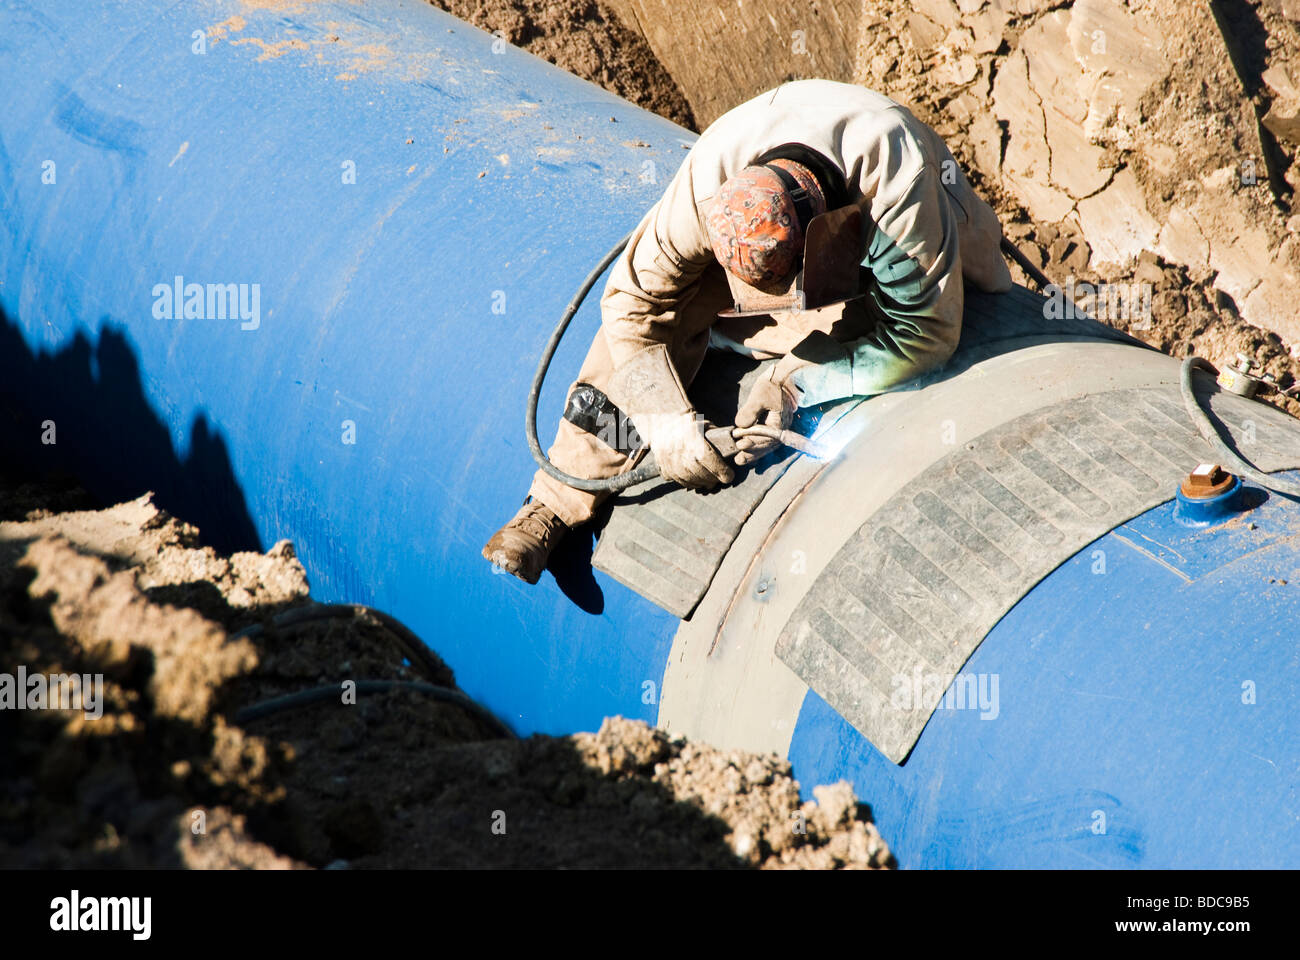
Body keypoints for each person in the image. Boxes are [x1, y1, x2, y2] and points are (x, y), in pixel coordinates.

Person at [483, 79, 1013, 584]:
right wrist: (667, 425)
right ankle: (556, 502)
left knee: (956, 306)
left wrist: (794, 382)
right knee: (642, 339)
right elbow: (629, 303)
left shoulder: (898, 190)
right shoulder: (709, 182)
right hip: (770, 223)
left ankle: (794, 321)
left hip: (896, 222)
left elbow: (925, 333)